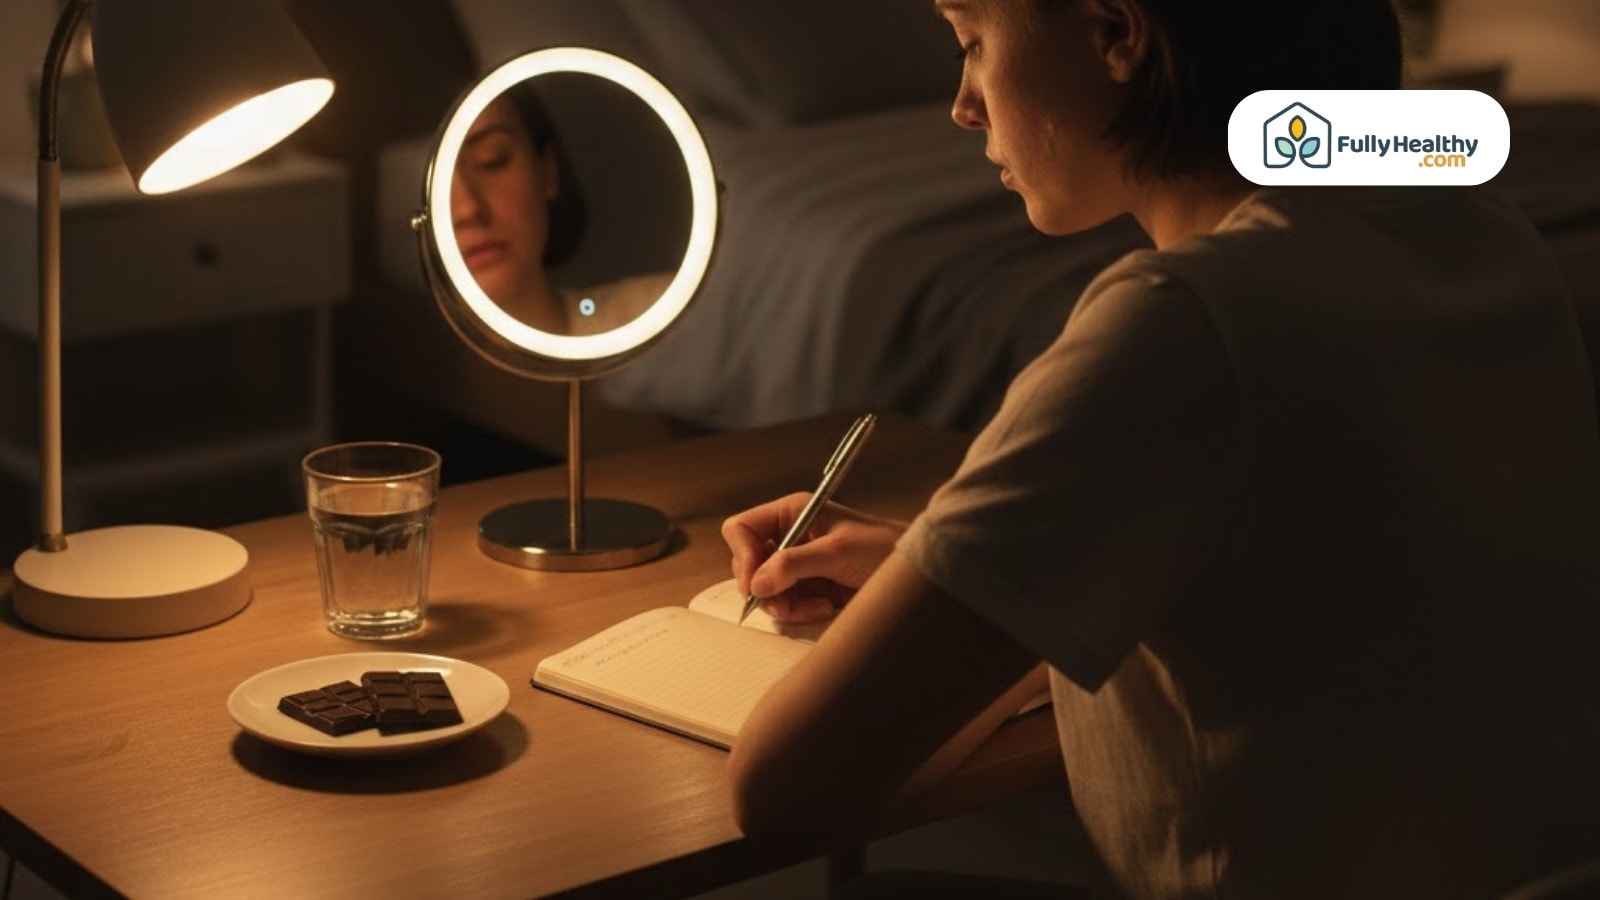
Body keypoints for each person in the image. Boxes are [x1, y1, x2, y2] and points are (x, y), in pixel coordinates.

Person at [719, 1, 1600, 898]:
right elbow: (1320, 585)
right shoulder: (1482, 228)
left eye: (973, 43)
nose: (963, 105)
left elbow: (783, 786)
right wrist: (963, 577)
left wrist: (959, 600)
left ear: (1117, 35)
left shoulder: (1177, 325)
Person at [451, 85, 669, 336]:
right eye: (436, 188)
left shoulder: (664, 314)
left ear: (547, 171)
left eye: (492, 158)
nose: (468, 210)